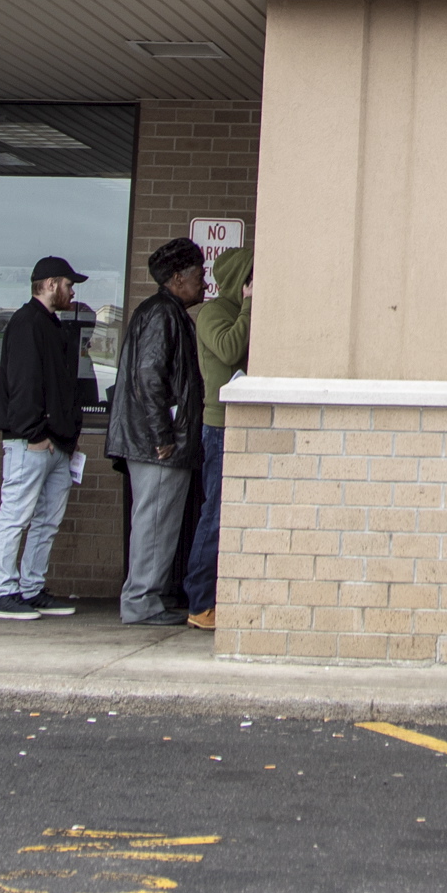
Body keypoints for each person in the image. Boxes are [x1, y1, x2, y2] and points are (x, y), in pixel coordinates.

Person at [0, 256, 93, 622]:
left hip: (57, 443)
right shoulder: (26, 322)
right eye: (67, 284)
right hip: (30, 442)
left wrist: (65, 436)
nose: (71, 290)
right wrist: (34, 434)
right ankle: (4, 591)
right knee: (16, 516)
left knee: (46, 521)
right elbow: (23, 383)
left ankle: (31, 587)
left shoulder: (50, 325)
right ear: (49, 284)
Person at [109, 238, 205, 626]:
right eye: (199, 274)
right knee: (154, 524)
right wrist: (163, 436)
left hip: (153, 440)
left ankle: (146, 598)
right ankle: (140, 601)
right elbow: (149, 377)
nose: (205, 282)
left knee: (156, 523)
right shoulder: (163, 314)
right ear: (178, 277)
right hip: (157, 444)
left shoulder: (163, 312)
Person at [182, 244, 252, 630]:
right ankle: (200, 602)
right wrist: (248, 307)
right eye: (252, 276)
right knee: (216, 514)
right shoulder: (212, 313)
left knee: (227, 512)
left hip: (240, 424)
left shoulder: (240, 311)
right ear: (240, 279)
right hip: (219, 427)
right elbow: (229, 349)